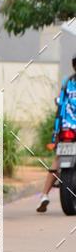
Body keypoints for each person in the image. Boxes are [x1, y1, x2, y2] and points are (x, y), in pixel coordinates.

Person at [37, 55, 76, 213]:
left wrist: (57, 129)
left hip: (67, 128)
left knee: (59, 158)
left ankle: (44, 195)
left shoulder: (67, 82)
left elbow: (60, 103)